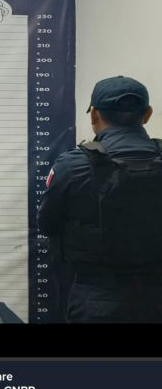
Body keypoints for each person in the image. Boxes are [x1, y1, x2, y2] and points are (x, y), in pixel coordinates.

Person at [37, 75, 162, 323]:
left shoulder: (72, 165)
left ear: (94, 115)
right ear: (147, 114)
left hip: (95, 299)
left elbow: (47, 224)